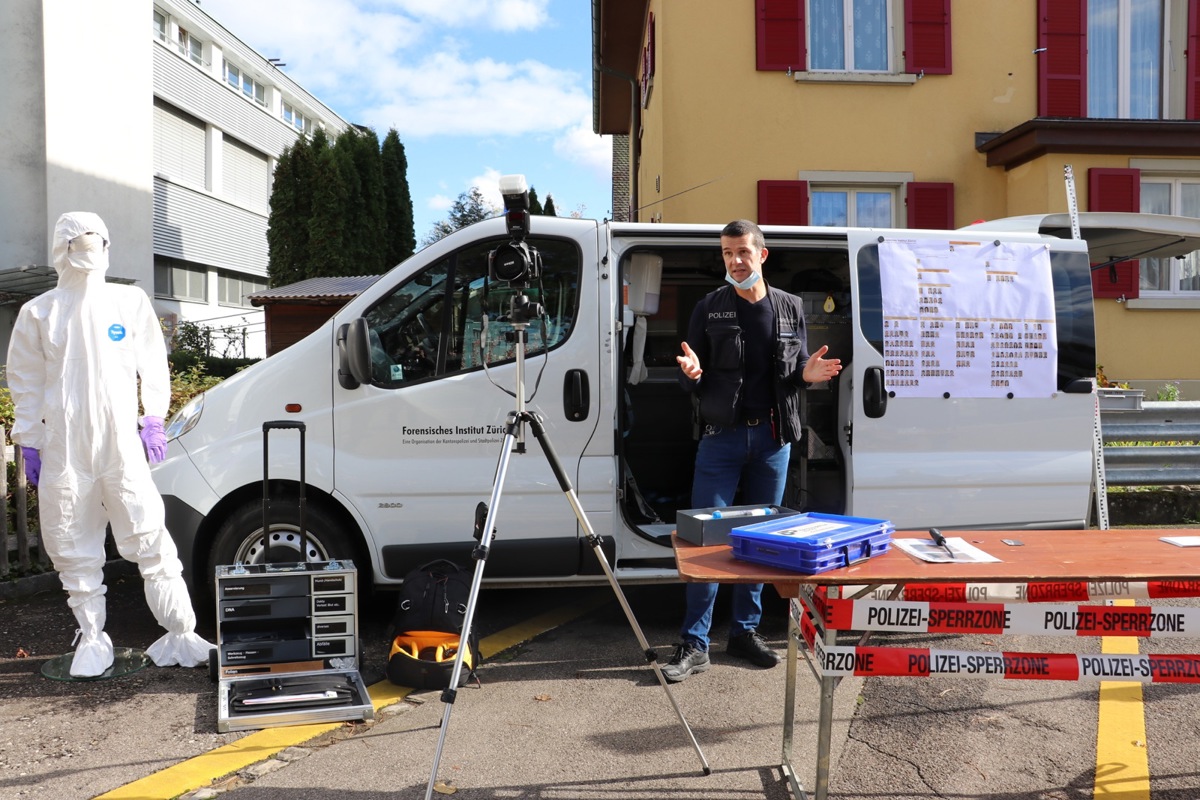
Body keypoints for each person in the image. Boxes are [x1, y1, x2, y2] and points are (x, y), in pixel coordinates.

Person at [7, 211, 213, 678]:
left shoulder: (128, 301)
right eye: (79, 243)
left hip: (120, 443)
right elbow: (26, 381)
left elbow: (152, 361)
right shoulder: (39, 311)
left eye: (95, 242)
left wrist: (154, 417)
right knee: (72, 543)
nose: (88, 252)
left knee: (148, 534)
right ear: (62, 250)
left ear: (106, 246)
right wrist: (32, 440)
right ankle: (93, 640)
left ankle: (181, 633)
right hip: (65, 448)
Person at [664, 219, 841, 682]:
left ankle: (744, 632)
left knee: (764, 541)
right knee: (705, 538)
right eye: (727, 253)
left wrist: (807, 375)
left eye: (742, 251)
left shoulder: (789, 307)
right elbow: (690, 372)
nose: (734, 260)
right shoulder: (709, 307)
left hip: (772, 438)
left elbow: (794, 370)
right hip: (721, 439)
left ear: (762, 255)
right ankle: (695, 642)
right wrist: (691, 373)